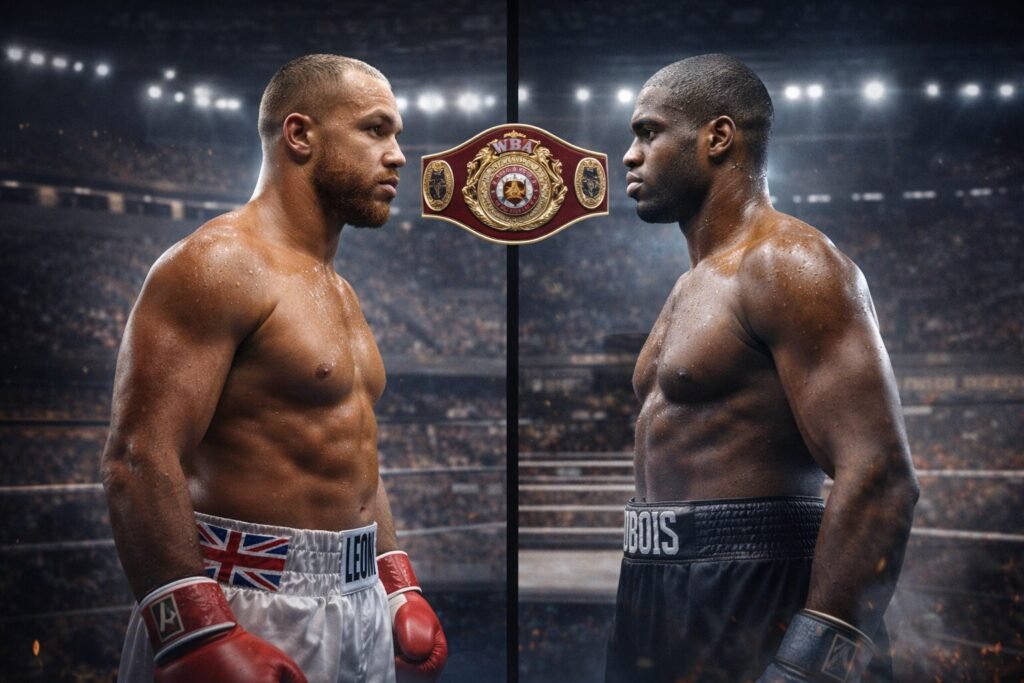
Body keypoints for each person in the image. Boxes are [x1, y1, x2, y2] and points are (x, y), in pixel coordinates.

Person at [102, 54, 447, 683]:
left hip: (359, 598)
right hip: (245, 600)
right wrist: (196, 631)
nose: (399, 156)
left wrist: (396, 578)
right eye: (376, 130)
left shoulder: (338, 289)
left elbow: (353, 453)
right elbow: (138, 455)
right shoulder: (218, 263)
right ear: (300, 135)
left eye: (396, 135)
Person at [606, 53, 920, 683]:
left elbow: (881, 474)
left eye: (648, 132)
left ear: (718, 137)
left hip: (755, 593)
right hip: (654, 586)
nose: (629, 156)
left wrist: (813, 663)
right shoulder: (693, 284)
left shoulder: (790, 262)